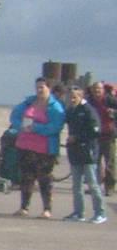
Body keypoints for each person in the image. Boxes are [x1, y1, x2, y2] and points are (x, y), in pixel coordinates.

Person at [8, 77, 66, 218]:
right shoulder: (29, 102)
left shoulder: (55, 106)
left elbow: (56, 126)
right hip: (25, 145)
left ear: (49, 88)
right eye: (37, 87)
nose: (39, 90)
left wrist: (36, 128)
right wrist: (20, 126)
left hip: (44, 149)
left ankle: (47, 209)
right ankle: (24, 207)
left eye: (42, 87)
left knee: (44, 179)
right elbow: (14, 116)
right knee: (26, 178)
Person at [63, 85, 107, 223]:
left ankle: (100, 213)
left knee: (93, 184)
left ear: (81, 96)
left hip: (88, 152)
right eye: (70, 97)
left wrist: (78, 137)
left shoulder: (88, 110)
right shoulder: (70, 111)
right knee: (76, 185)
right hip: (75, 152)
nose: (72, 99)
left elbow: (95, 130)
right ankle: (78, 212)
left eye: (75, 97)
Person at [89, 81, 116, 195]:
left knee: (110, 162)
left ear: (103, 90)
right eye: (95, 89)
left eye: (99, 89)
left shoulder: (110, 100)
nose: (97, 92)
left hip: (109, 135)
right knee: (94, 162)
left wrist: (114, 112)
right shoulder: (89, 102)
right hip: (95, 136)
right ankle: (95, 186)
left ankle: (109, 187)